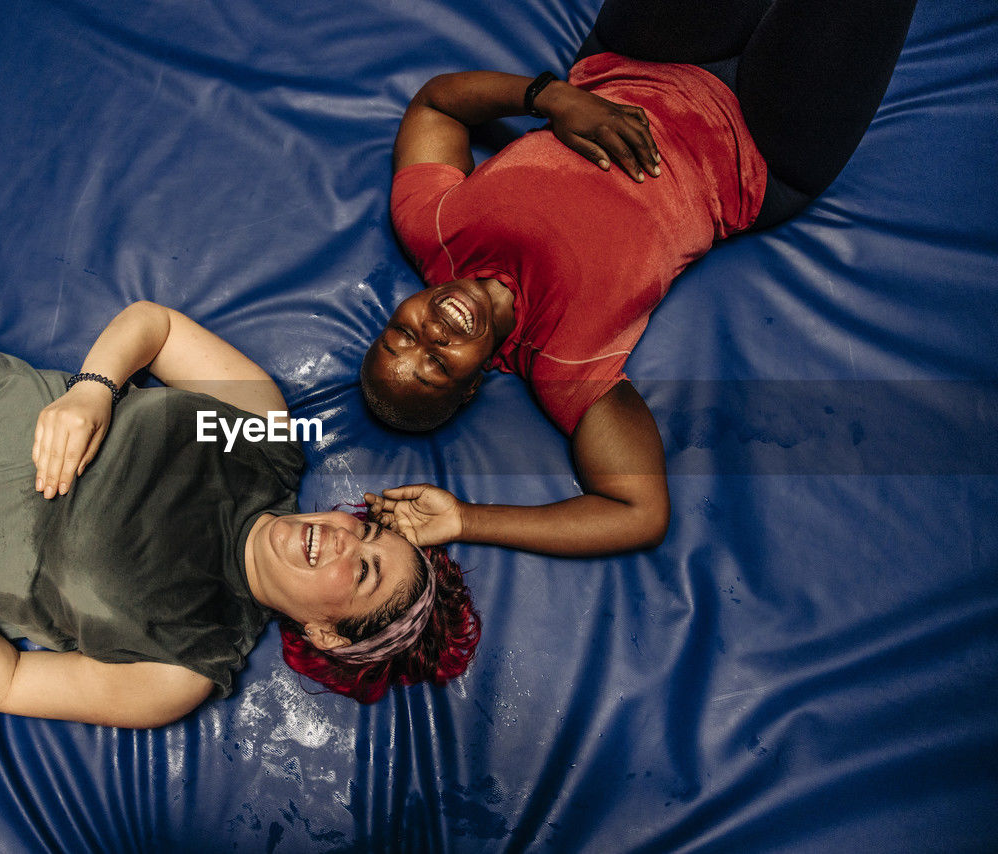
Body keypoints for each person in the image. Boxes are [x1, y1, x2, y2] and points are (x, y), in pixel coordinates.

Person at [0, 176, 481, 727]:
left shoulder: (186, 665)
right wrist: (93, 388)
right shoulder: (268, 439)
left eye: (365, 570)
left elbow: (8, 681)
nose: (348, 535)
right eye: (372, 531)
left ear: (324, 635)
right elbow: (157, 326)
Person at [361, 0, 918, 557]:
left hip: (633, 61)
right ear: (473, 385)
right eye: (436, 366)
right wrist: (463, 519)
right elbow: (638, 514)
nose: (431, 335)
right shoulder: (565, 365)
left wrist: (552, 98)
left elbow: (436, 104)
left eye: (402, 336)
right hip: (758, 144)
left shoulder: (431, 226)